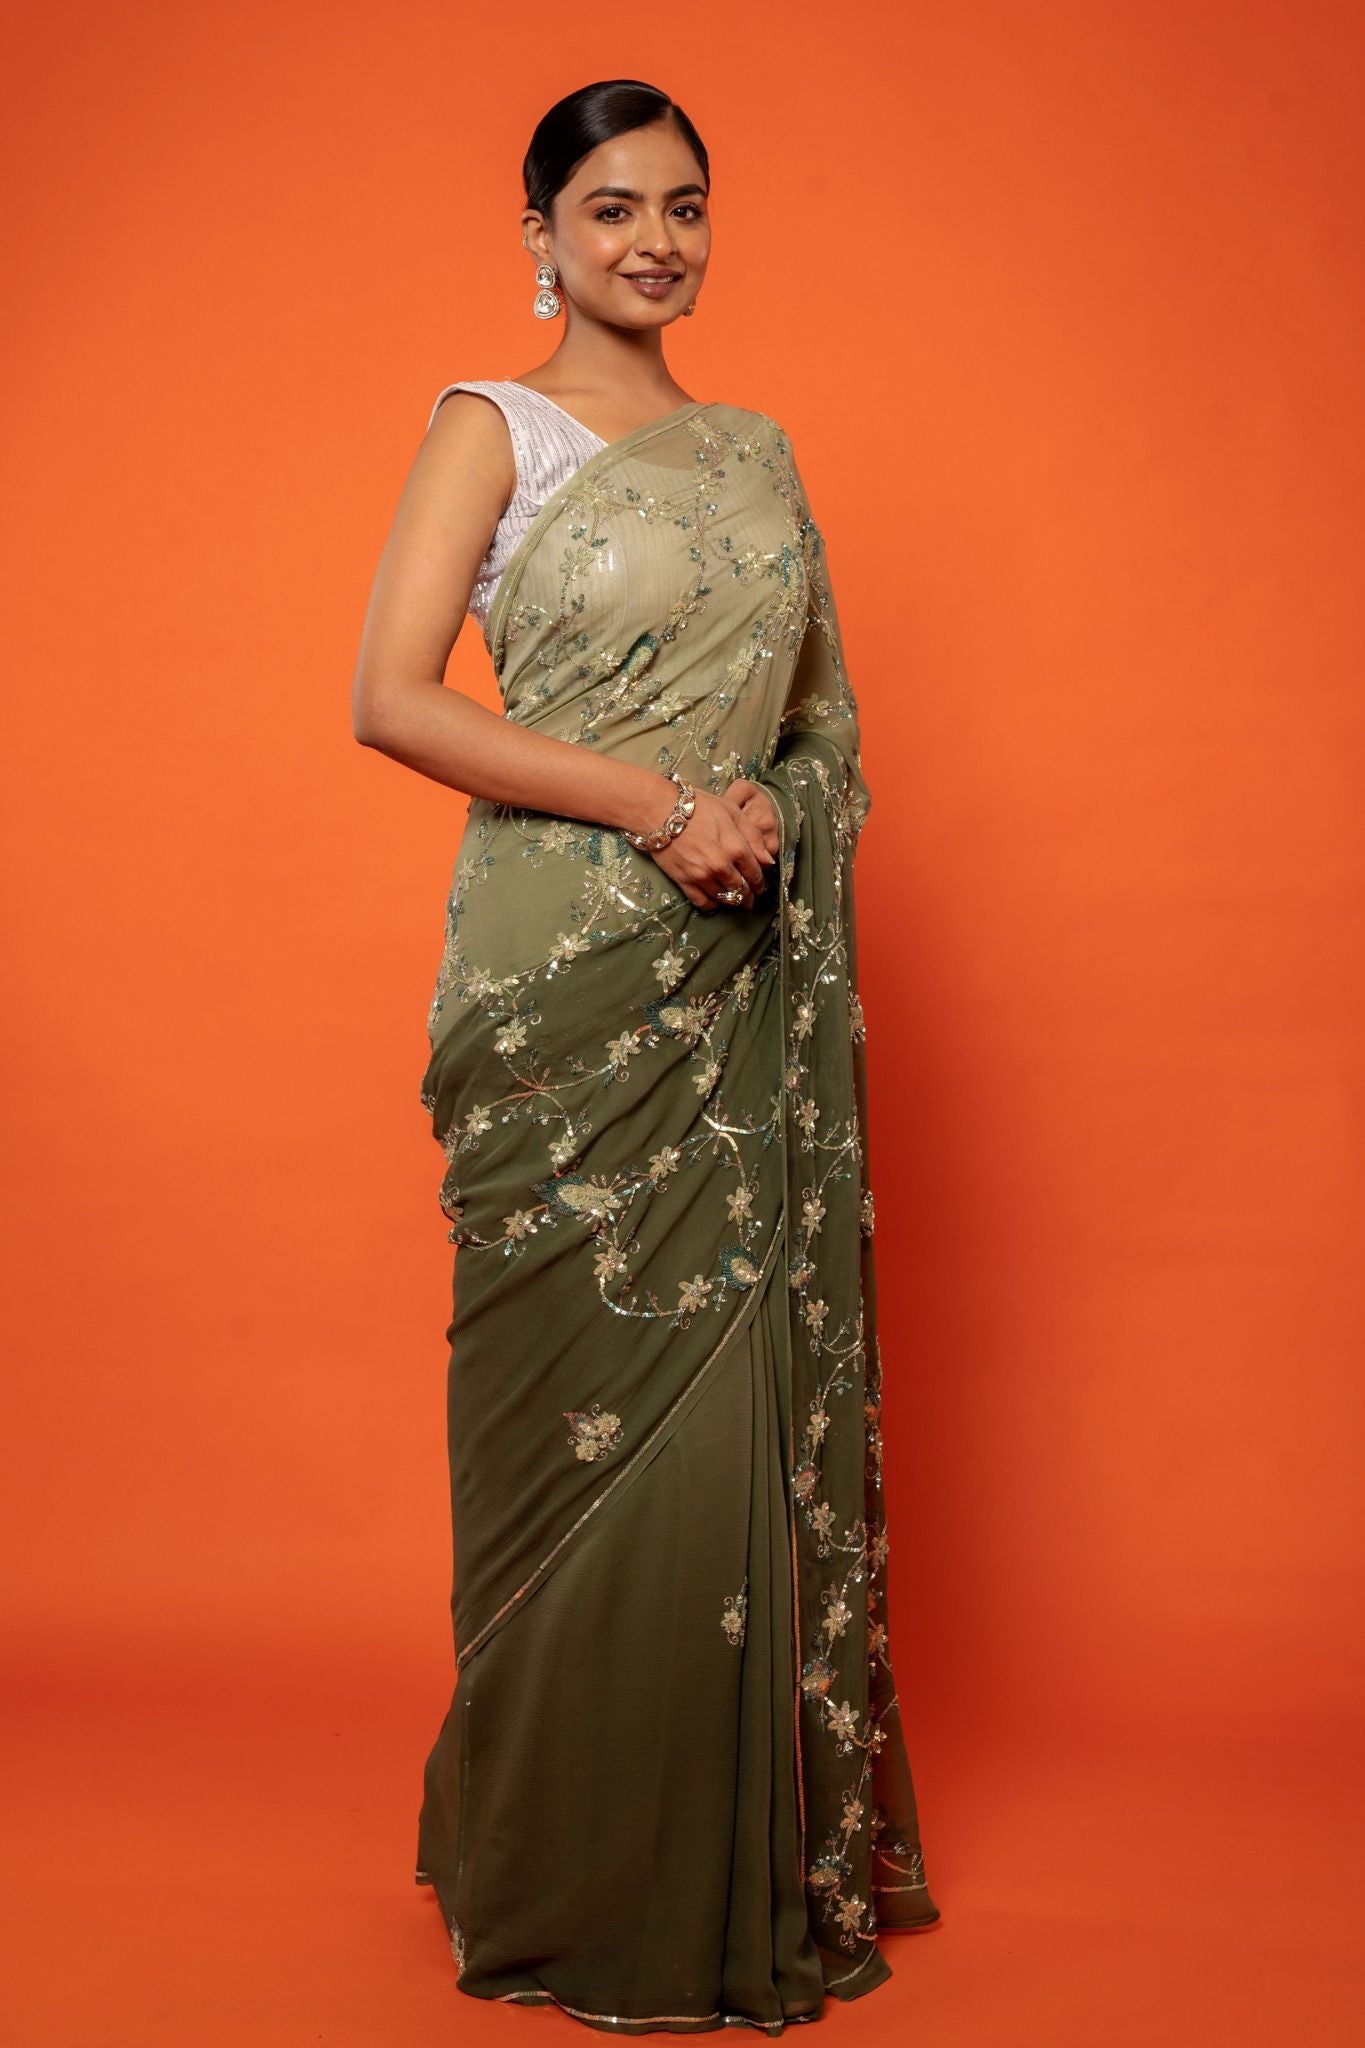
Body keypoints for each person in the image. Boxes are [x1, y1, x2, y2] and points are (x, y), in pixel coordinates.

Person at [352, 75, 941, 2037]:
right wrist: (656, 804)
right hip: (561, 993)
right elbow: (390, 697)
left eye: (683, 205)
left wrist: (767, 806)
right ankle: (555, 1871)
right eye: (610, 208)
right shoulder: (491, 425)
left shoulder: (754, 454)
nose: (654, 240)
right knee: (561, 1435)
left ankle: (706, 1872)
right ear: (539, 235)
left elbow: (821, 723)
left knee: (714, 1430)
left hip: (731, 978)